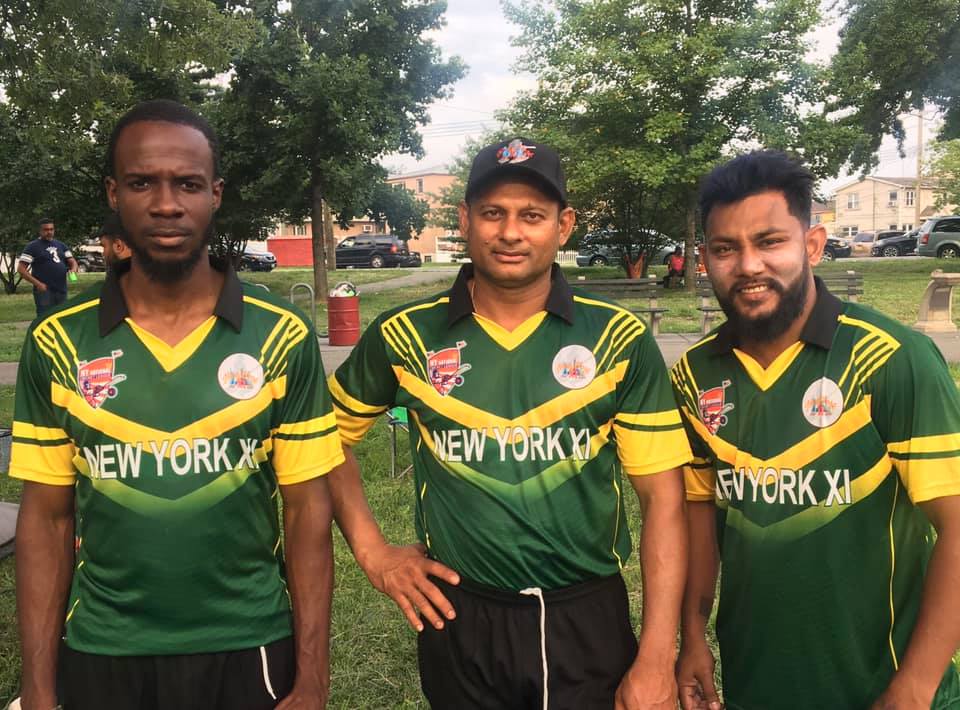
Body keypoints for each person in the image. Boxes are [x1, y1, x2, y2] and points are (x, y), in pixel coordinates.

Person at [327, 137, 692, 709]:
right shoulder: (405, 335)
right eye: (493, 213)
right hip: (457, 610)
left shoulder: (617, 337)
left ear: (564, 225)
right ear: (466, 220)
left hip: (586, 612)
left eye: (532, 216)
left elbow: (663, 501)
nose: (511, 232)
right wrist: (373, 553)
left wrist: (656, 657)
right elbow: (322, 443)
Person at [10, 99, 343, 710]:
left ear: (215, 193)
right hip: (103, 649)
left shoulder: (281, 335)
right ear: (115, 193)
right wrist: (35, 687)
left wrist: (313, 678)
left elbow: (306, 512)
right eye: (142, 183)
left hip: (251, 644)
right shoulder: (57, 341)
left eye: (187, 184)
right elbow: (46, 520)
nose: (167, 204)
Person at [672, 150, 960, 710]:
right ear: (704, 259)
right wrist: (693, 636)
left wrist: (916, 686)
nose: (748, 265)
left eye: (770, 241)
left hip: (885, 687)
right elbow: (700, 516)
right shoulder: (694, 375)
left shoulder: (891, 357)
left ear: (812, 245)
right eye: (726, 249)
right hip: (756, 679)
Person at [17, 217, 79, 317]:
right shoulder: (32, 247)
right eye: (46, 230)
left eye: (51, 229)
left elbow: (72, 261)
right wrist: (38, 284)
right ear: (40, 231)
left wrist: (73, 269)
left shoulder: (61, 245)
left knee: (62, 316)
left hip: (61, 289)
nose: (49, 232)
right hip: (44, 290)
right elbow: (21, 269)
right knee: (45, 317)